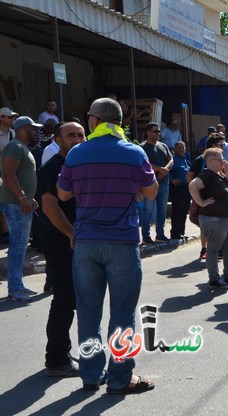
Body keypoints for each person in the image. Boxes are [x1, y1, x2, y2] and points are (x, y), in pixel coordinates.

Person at [57, 97, 158, 394]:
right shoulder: (134, 152)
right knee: (123, 314)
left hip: (87, 242)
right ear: (120, 122)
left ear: (93, 120)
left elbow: (63, 195)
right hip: (123, 242)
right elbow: (151, 192)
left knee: (88, 313)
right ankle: (120, 378)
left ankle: (90, 376)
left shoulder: (76, 153)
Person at [39, 121, 85, 377]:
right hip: (61, 242)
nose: (77, 139)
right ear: (58, 139)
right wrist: (71, 233)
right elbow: (50, 206)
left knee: (70, 300)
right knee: (64, 300)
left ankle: (62, 352)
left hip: (75, 241)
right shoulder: (53, 167)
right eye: (71, 135)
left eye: (81, 134)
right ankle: (56, 360)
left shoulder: (76, 166)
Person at [0, 116, 41, 301]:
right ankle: (15, 289)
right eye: (33, 129)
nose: (35, 132)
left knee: (20, 245)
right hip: (15, 204)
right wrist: (23, 198)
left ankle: (18, 286)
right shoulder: (15, 147)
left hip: (21, 203)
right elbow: (8, 175)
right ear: (24, 128)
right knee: (17, 245)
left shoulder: (21, 148)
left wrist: (29, 199)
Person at [189, 147, 228, 288]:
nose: (223, 161)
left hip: (226, 218)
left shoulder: (220, 174)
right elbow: (192, 186)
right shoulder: (207, 174)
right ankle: (214, 279)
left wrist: (226, 171)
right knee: (214, 249)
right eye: (220, 159)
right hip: (214, 219)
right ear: (210, 161)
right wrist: (201, 202)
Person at [141, 122, 173, 243]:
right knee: (148, 211)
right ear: (148, 132)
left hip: (164, 183)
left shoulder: (163, 146)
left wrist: (166, 169)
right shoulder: (142, 147)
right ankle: (146, 236)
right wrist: (160, 169)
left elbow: (171, 160)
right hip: (150, 184)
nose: (158, 133)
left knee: (162, 210)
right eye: (155, 131)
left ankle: (160, 234)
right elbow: (144, 164)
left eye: (159, 131)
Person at [169, 141, 191, 239]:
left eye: (183, 148)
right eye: (179, 148)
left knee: (184, 210)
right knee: (177, 211)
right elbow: (167, 171)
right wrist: (171, 179)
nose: (181, 149)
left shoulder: (185, 160)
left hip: (186, 188)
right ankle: (175, 233)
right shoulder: (173, 160)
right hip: (178, 188)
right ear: (175, 149)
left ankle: (181, 231)